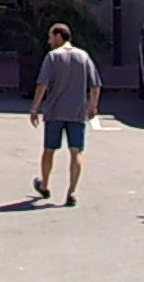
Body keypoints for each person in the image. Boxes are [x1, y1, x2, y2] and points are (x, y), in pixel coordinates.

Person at [28, 22, 100, 206]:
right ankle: (73, 191)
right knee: (76, 151)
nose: (49, 41)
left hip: (54, 111)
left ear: (59, 36)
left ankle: (44, 184)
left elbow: (42, 84)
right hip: (76, 111)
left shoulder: (52, 57)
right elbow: (95, 84)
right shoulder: (83, 56)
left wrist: (35, 108)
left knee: (49, 150)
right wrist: (92, 106)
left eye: (51, 36)